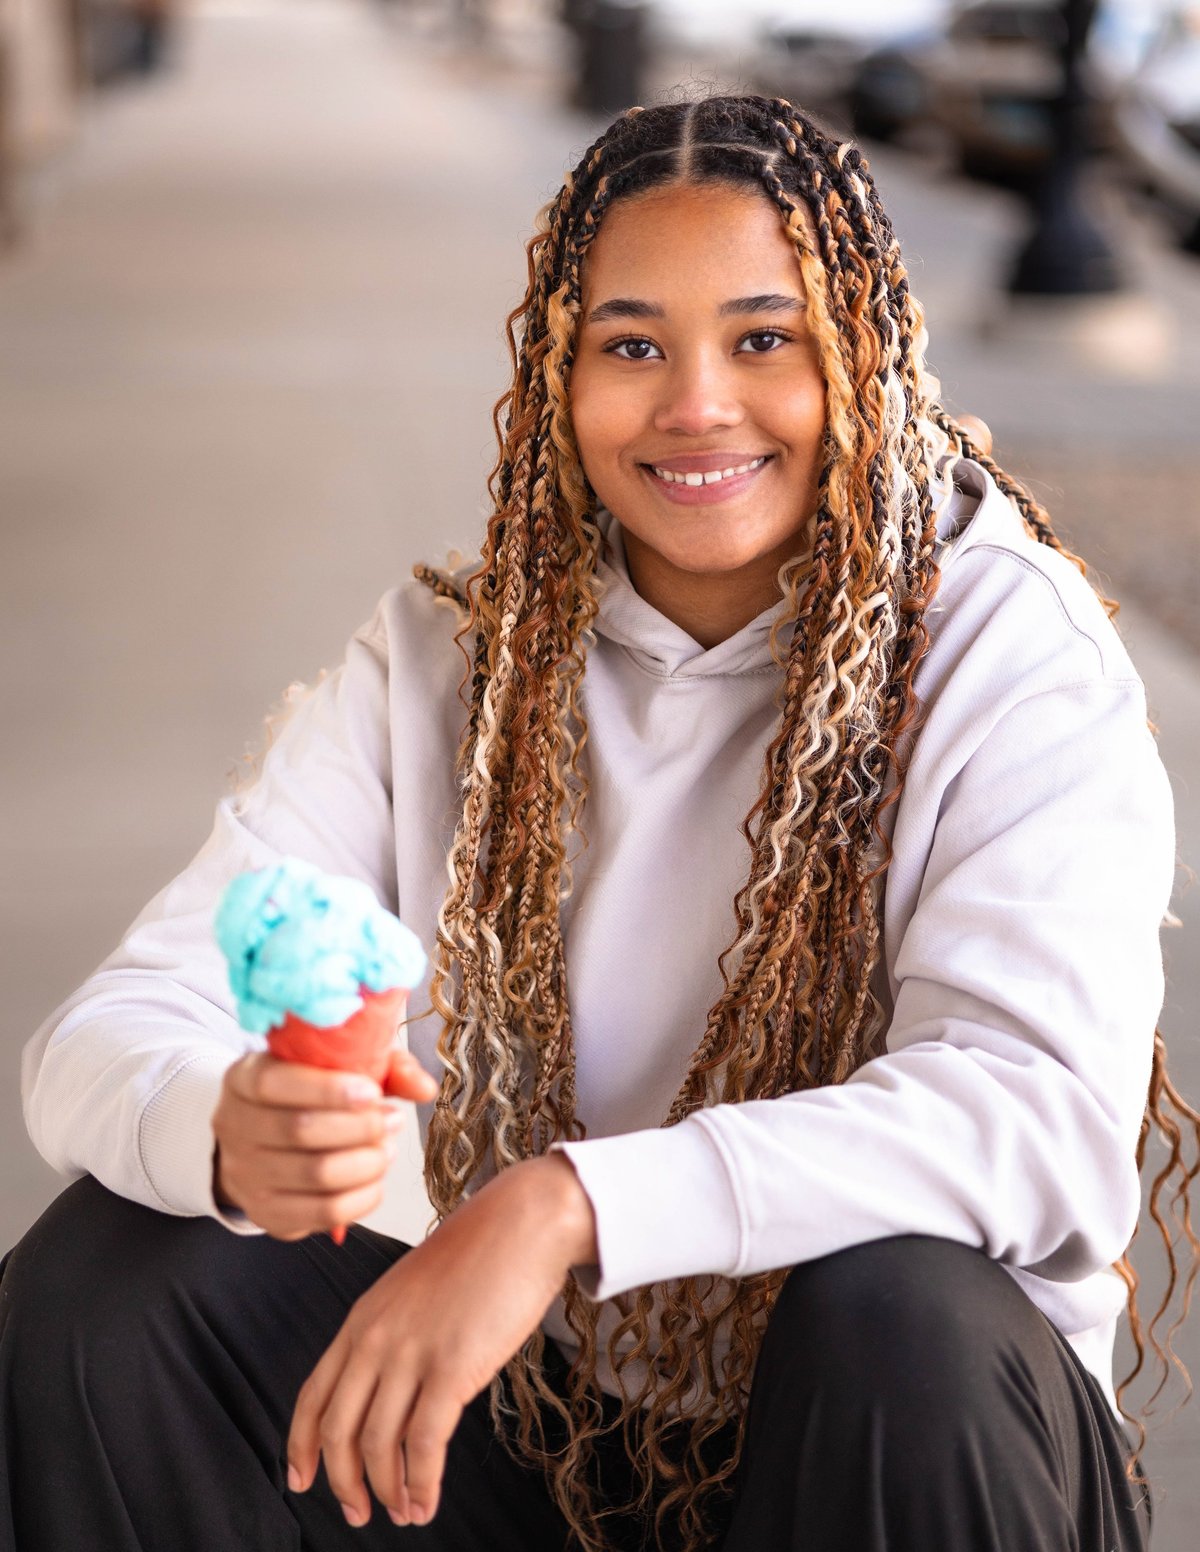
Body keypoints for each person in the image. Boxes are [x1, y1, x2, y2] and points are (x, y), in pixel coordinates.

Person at [1, 94, 1193, 1552]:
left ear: (865, 357)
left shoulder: (1003, 647)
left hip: (895, 1448)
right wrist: (227, 1128)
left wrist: (570, 1204)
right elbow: (98, 1043)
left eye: (765, 338)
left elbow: (1033, 1120)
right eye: (632, 345)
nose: (697, 403)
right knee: (108, 1285)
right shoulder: (454, 663)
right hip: (552, 1434)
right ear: (556, 381)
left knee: (900, 1310)